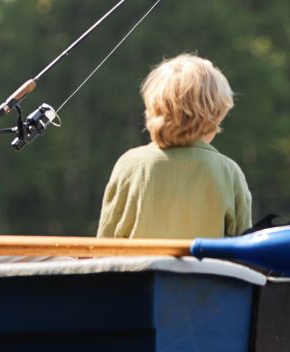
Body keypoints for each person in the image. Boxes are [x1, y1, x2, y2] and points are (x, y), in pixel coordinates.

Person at [97, 53, 253, 239]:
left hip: (140, 260)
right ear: (215, 116)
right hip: (203, 260)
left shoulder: (130, 165)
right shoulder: (229, 172)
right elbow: (244, 245)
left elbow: (105, 242)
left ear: (153, 110)